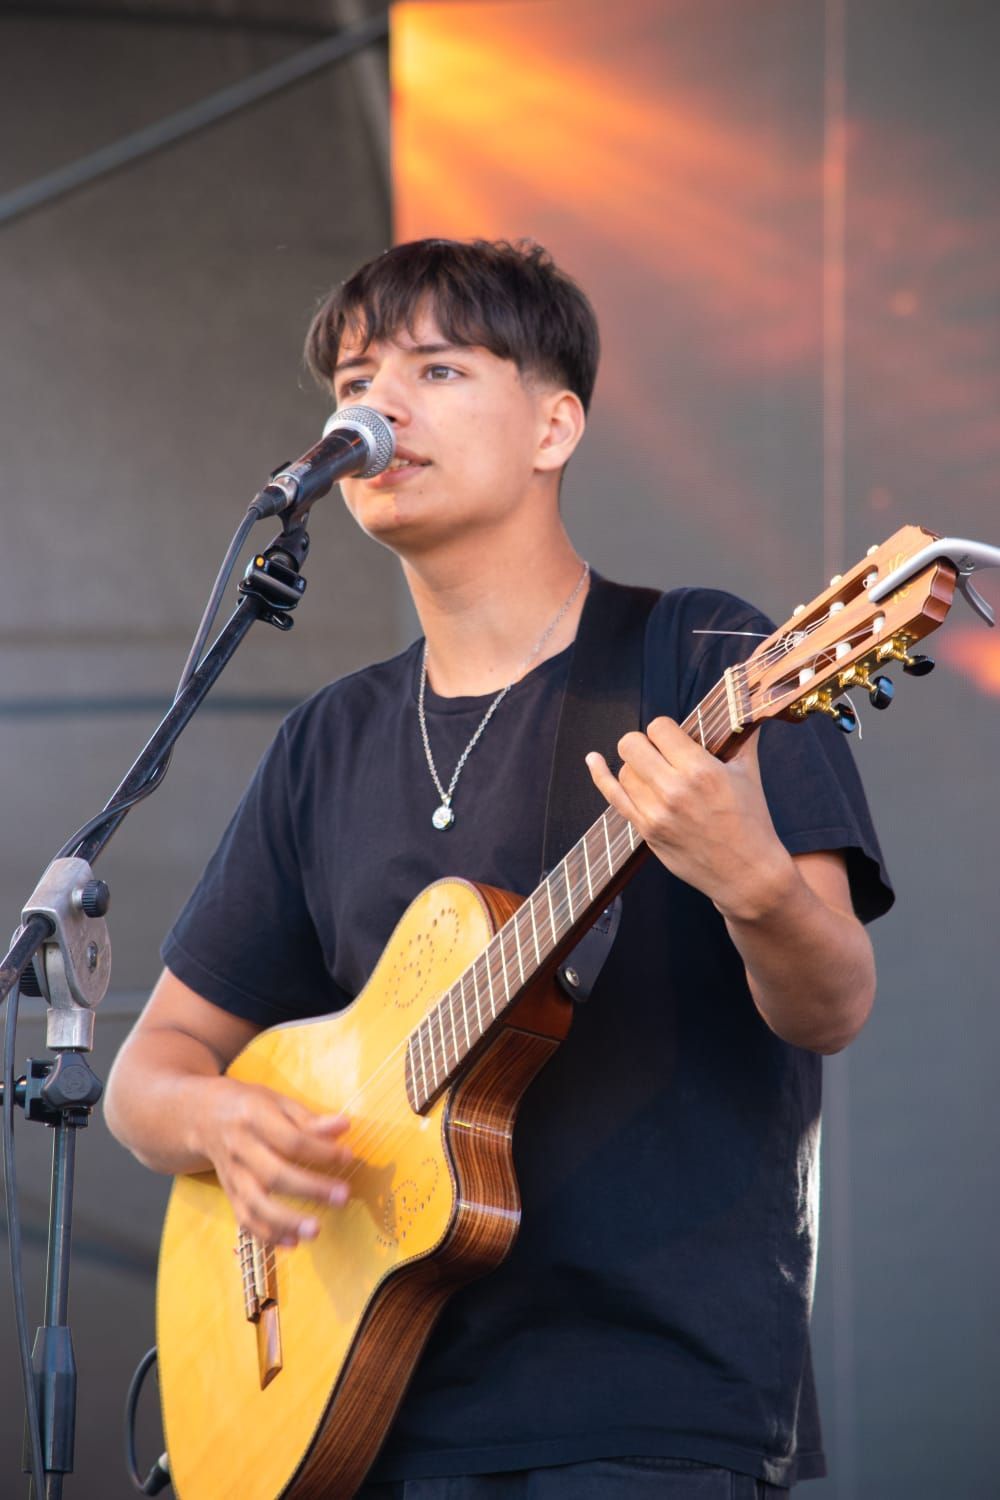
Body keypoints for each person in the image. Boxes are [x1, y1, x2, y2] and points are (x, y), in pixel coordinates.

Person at [104, 238, 892, 1498]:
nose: (378, 407)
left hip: (645, 1406)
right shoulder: (331, 739)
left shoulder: (703, 657)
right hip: (358, 1414)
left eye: (438, 368)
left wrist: (749, 879)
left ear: (553, 425)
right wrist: (225, 1123)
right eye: (357, 378)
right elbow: (147, 1075)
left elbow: (834, 1002)